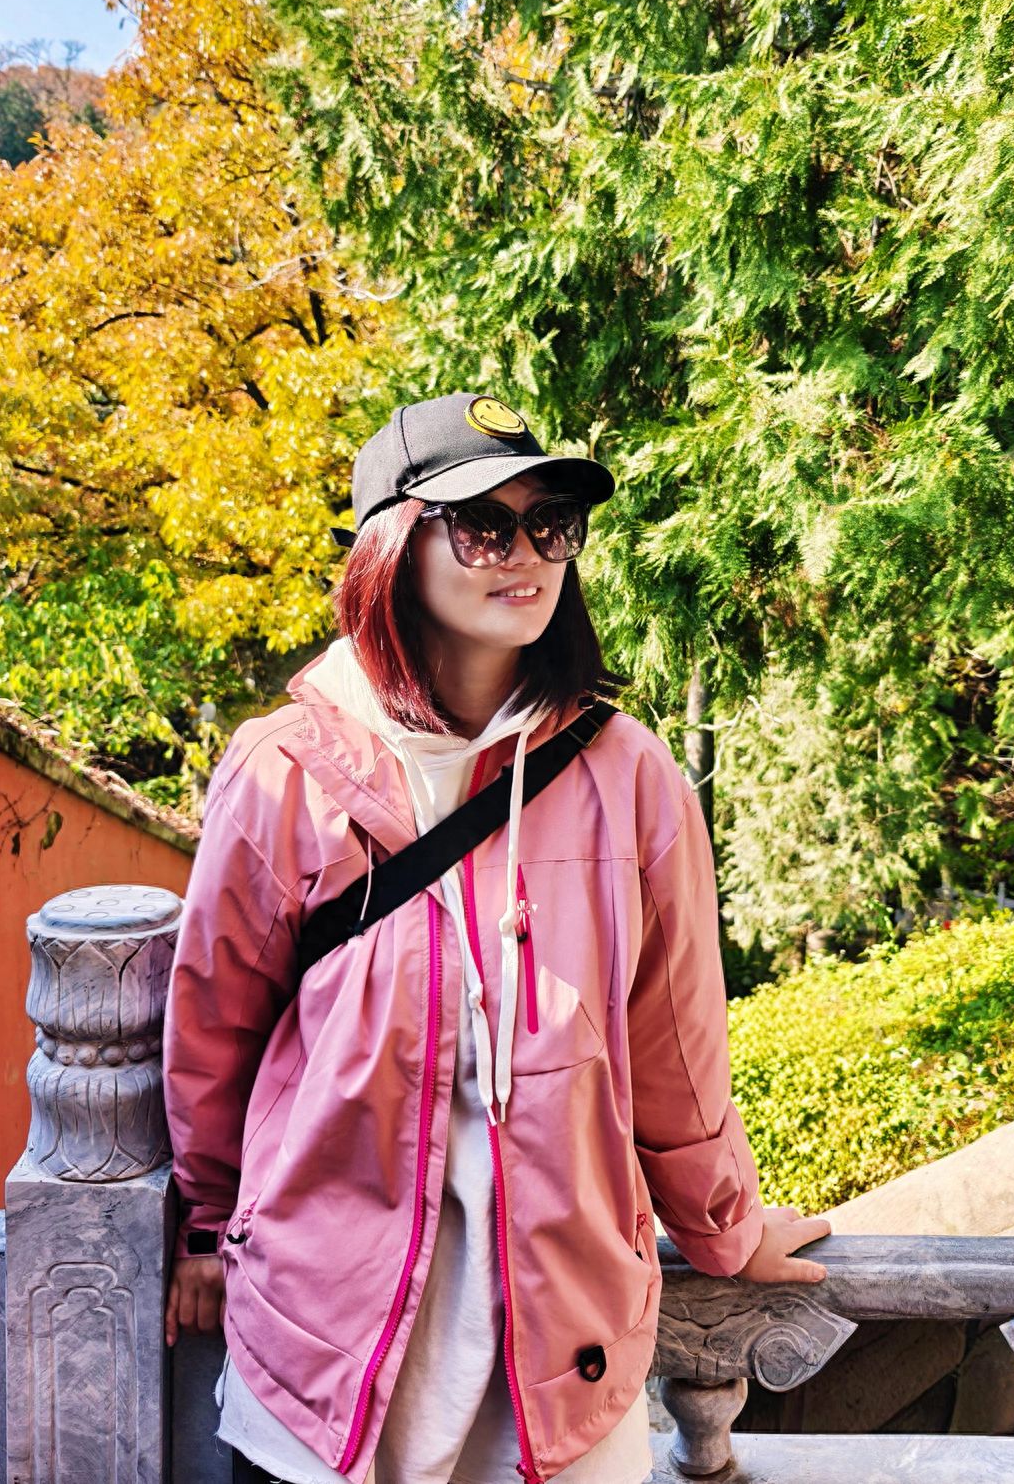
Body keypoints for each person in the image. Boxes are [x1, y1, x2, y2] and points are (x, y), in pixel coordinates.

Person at [162, 391, 830, 1484]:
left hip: (557, 1342)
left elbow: (673, 1046)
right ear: (392, 548)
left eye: (549, 524)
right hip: (323, 1334)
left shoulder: (627, 779)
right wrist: (203, 1225)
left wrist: (723, 1228)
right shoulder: (285, 771)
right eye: (481, 525)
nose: (523, 554)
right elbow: (217, 1025)